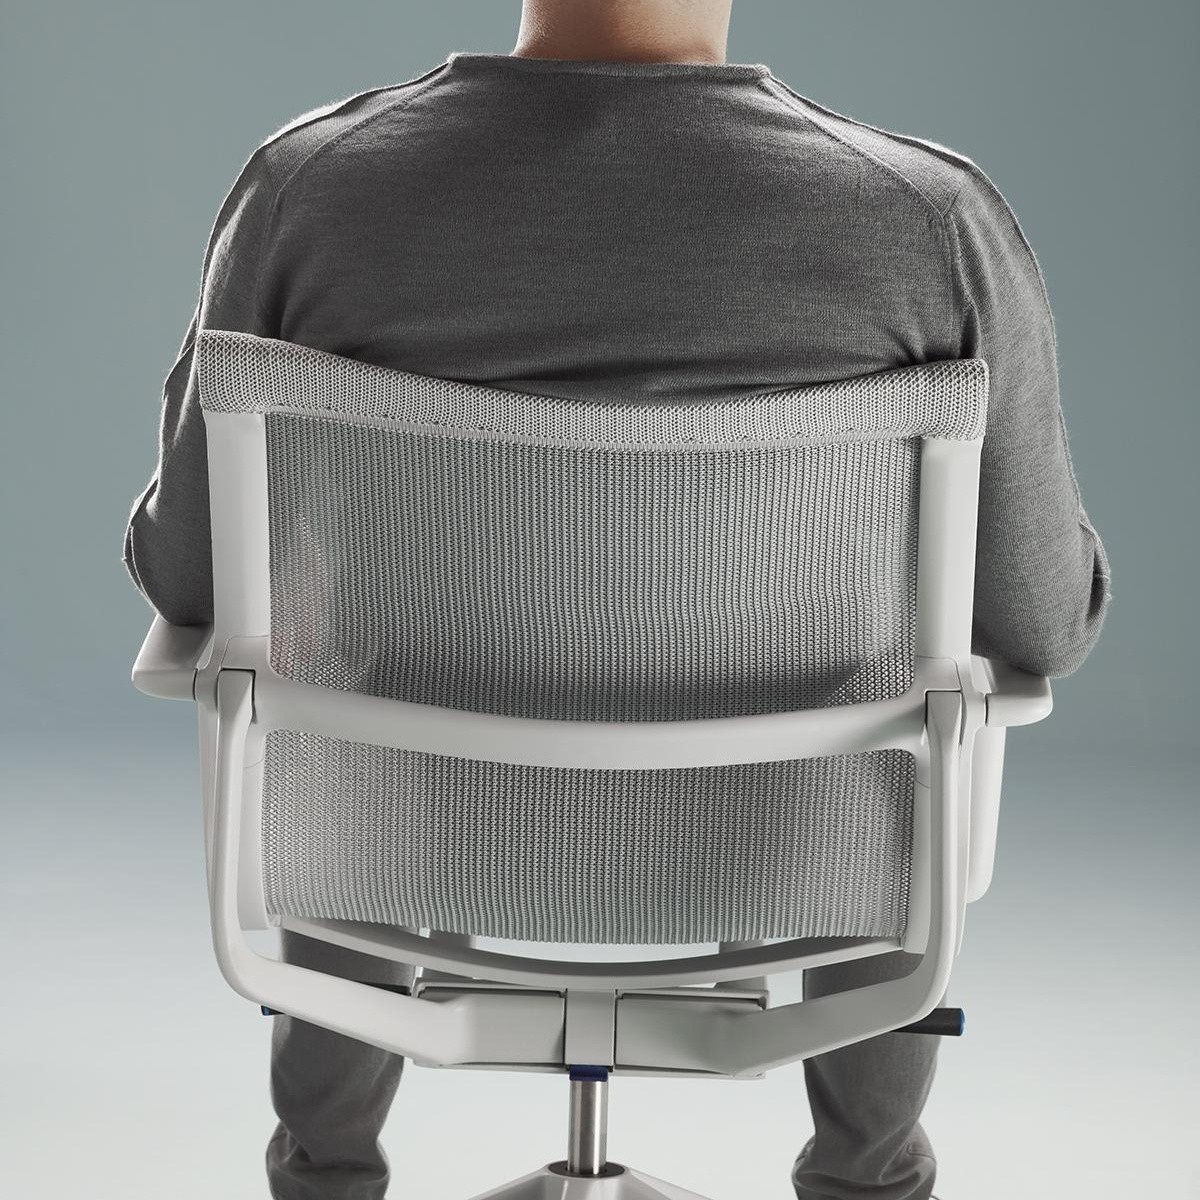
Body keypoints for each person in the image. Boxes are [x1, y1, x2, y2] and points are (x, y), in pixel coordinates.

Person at [120, 2, 1113, 1198]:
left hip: (400, 838)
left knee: (316, 686)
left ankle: (328, 1173)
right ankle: (869, 1178)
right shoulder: (929, 220)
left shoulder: (310, 190)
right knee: (919, 711)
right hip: (792, 850)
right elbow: (1043, 621)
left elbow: (187, 575)